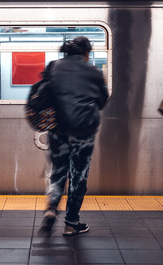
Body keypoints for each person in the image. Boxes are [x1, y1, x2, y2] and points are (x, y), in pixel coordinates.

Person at [41, 36, 109, 236]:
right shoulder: (93, 71)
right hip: (83, 132)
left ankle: (51, 208)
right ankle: (71, 222)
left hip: (58, 130)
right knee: (78, 177)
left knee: (58, 173)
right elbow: (102, 99)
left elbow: (46, 95)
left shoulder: (53, 66)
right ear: (86, 53)